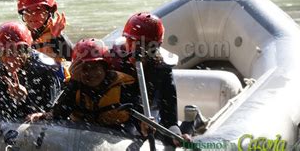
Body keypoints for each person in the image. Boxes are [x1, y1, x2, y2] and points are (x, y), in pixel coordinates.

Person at [109, 12, 191, 147]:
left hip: (150, 116)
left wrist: (175, 134)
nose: (136, 50)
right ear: (125, 40)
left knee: (168, 137)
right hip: (121, 116)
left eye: (144, 45)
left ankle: (191, 122)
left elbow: (169, 119)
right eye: (131, 42)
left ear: (155, 47)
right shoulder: (112, 61)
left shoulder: (162, 70)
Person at [27, 38, 139, 134]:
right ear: (77, 70)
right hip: (84, 141)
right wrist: (73, 83)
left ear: (105, 67)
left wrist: (144, 125)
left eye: (95, 68)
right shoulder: (74, 86)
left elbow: (139, 117)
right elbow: (59, 115)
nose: (91, 74)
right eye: (85, 68)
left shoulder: (125, 86)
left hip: (118, 140)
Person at [17, 0, 73, 81]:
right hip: (31, 81)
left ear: (49, 12)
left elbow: (70, 56)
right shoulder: (21, 34)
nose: (32, 16)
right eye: (28, 11)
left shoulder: (54, 32)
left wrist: (57, 36)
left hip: (55, 81)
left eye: (38, 10)